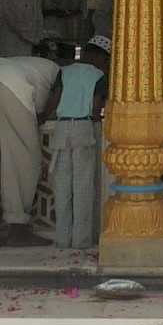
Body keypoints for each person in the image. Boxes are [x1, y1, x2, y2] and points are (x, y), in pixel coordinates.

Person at [0, 53, 61, 248]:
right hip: (11, 85)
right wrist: (45, 114)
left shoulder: (32, 64)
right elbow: (58, 94)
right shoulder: (58, 72)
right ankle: (17, 229)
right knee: (22, 158)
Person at [50, 36, 110, 249]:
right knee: (83, 186)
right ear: (99, 56)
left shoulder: (64, 71)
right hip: (83, 128)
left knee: (62, 185)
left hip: (61, 128)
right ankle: (81, 241)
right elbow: (95, 108)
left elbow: (55, 99)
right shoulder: (99, 76)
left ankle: (61, 239)